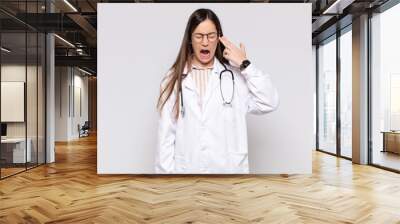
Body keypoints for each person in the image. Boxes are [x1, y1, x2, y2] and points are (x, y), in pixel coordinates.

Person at [155, 8, 279, 174]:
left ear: (219, 38)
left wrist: (245, 64)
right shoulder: (174, 78)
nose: (205, 42)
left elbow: (269, 101)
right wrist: (166, 183)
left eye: (211, 36)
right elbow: (165, 136)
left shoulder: (235, 77)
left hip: (228, 174)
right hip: (187, 174)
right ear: (190, 39)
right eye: (199, 36)